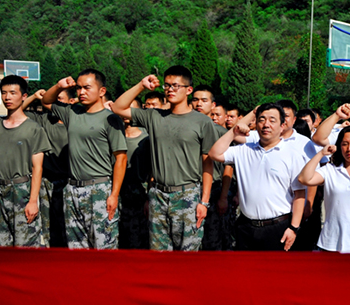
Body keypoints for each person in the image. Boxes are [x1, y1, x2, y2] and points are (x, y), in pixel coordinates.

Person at [111, 67, 217, 252]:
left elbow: (208, 163)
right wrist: (141, 85)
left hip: (188, 195)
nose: (170, 90)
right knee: (158, 256)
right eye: (167, 86)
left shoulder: (202, 122)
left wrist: (204, 201)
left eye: (176, 86)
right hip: (158, 195)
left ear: (189, 90)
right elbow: (118, 107)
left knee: (188, 256)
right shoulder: (154, 116)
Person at [42, 70, 127, 249]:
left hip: (100, 189)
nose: (81, 92)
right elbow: (46, 101)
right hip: (72, 189)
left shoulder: (111, 119)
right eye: (79, 88)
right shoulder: (72, 112)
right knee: (76, 248)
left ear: (102, 91)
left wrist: (114, 195)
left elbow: (121, 158)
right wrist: (59, 86)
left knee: (104, 246)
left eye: (87, 88)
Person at [208, 103, 306, 251]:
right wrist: (234, 131)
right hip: (245, 227)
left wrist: (293, 228)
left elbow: (299, 194)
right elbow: (214, 153)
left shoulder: (293, 155)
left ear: (282, 126)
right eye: (261, 119)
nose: (266, 124)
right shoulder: (244, 150)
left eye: (272, 120)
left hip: (278, 228)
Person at [0, 77, 50, 247]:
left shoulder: (33, 129)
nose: (7, 97)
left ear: (24, 96)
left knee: (25, 246)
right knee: (0, 246)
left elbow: (37, 167)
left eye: (12, 93)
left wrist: (33, 201)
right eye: (4, 93)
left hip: (21, 190)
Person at [298, 125, 350, 253]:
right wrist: (321, 154)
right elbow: (304, 179)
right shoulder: (330, 170)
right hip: (330, 243)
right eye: (344, 144)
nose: (349, 149)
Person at [20, 89, 70, 248]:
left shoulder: (75, 122)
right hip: (47, 181)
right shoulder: (44, 119)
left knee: (68, 225)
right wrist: (34, 96)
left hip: (69, 182)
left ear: (70, 102)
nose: (54, 103)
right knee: (48, 224)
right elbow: (18, 110)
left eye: (59, 98)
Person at [191, 85, 234, 251]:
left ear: (213, 105)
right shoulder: (187, 128)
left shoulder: (221, 133)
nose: (199, 104)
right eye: (195, 100)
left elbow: (228, 166)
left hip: (215, 190)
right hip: (190, 189)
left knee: (213, 239)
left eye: (204, 100)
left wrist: (223, 196)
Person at [118, 100, 151, 249]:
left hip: (139, 194)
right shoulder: (115, 136)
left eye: (130, 109)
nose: (126, 113)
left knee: (138, 238)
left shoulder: (146, 139)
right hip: (118, 192)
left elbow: (151, 171)